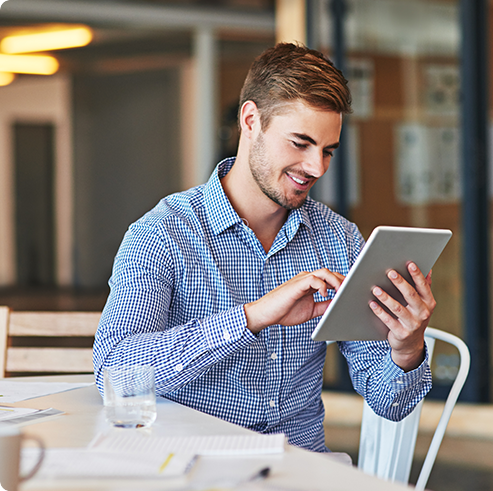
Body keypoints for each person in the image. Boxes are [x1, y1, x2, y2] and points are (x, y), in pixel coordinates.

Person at [93, 42, 434, 453]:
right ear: (251, 120)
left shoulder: (338, 239)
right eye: (299, 143)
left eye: (327, 151)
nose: (316, 168)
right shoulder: (164, 234)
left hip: (301, 470)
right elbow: (116, 370)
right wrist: (252, 318)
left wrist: (407, 349)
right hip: (195, 469)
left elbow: (388, 401)